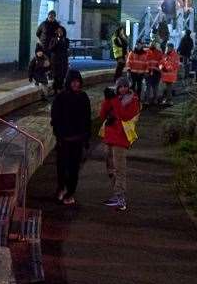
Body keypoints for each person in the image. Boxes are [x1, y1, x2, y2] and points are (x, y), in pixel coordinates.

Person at [98, 77, 140, 211]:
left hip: (121, 139)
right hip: (109, 137)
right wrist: (107, 100)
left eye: (125, 86)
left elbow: (124, 115)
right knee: (110, 168)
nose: (122, 89)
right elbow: (102, 115)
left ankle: (120, 198)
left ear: (128, 87)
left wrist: (114, 100)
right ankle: (116, 194)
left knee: (119, 169)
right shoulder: (115, 99)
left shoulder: (133, 101)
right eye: (120, 87)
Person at [51, 69, 92, 206]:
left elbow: (87, 118)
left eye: (77, 82)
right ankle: (62, 187)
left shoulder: (83, 97)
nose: (75, 84)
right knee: (62, 167)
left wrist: (86, 137)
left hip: (78, 139)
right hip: (64, 140)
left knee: (74, 168)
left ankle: (70, 192)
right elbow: (55, 118)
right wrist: (59, 135)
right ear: (69, 82)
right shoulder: (60, 98)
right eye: (73, 82)